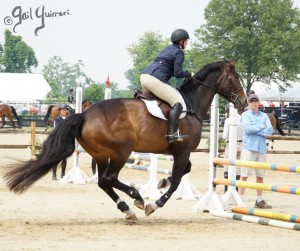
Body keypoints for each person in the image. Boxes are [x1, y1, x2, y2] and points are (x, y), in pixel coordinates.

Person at [140, 29, 192, 143]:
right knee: (178, 102)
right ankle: (172, 133)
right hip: (154, 79)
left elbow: (171, 71)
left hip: (144, 77)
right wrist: (188, 74)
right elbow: (178, 73)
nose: (187, 43)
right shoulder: (179, 52)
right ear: (181, 41)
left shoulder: (167, 49)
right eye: (186, 41)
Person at [239, 93, 273, 209]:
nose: (253, 103)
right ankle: (240, 199)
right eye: (251, 101)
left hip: (261, 148)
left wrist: (258, 130)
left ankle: (259, 200)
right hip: (249, 148)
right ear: (248, 103)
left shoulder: (264, 116)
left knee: (260, 176)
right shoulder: (245, 115)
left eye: (255, 101)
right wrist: (261, 127)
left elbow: (270, 130)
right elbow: (247, 129)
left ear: (259, 102)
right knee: (244, 175)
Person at [222, 107, 243, 192]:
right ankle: (236, 189)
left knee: (227, 166)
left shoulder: (228, 120)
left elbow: (225, 136)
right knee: (238, 168)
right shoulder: (242, 119)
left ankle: (227, 189)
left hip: (230, 143)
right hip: (241, 144)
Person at [52, 104, 68, 180]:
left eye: (65, 110)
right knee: (56, 158)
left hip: (66, 141)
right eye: (63, 110)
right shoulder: (57, 119)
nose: (64, 111)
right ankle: (54, 174)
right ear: (60, 111)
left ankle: (63, 174)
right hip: (58, 140)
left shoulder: (68, 119)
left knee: (65, 158)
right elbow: (57, 129)